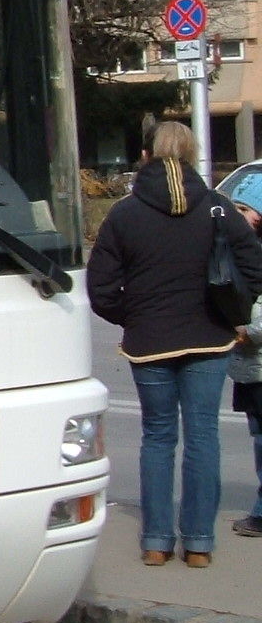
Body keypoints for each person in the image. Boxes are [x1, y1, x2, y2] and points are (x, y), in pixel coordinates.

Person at [88, 121, 262, 567]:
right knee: (203, 437)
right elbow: (254, 269)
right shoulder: (218, 208)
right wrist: (230, 313)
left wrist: (134, 316)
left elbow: (101, 289)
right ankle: (199, 544)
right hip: (209, 339)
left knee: (157, 437)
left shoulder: (125, 214)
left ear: (146, 156)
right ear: (191, 155)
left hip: (149, 342)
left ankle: (156, 542)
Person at [229, 201, 262, 539]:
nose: (237, 217)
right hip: (251, 370)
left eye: (243, 209)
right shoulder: (242, 250)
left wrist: (240, 331)